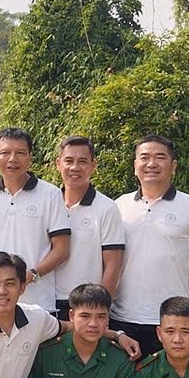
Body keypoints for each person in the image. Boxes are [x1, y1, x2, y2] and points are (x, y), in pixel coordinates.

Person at [113, 135, 189, 358]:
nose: (151, 163)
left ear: (173, 166)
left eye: (160, 157)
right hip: (122, 317)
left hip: (172, 319)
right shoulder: (119, 206)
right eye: (145, 157)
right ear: (135, 165)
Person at [0, 128, 71, 313]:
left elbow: (62, 249)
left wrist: (31, 275)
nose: (12, 159)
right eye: (5, 153)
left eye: (20, 153)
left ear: (30, 158)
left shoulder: (50, 194)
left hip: (39, 302)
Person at [52, 136, 125, 318]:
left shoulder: (106, 208)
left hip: (86, 305)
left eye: (82, 161)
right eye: (69, 161)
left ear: (93, 165)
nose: (75, 167)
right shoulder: (49, 202)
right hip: (47, 301)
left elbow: (113, 264)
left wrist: (100, 310)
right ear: (58, 164)